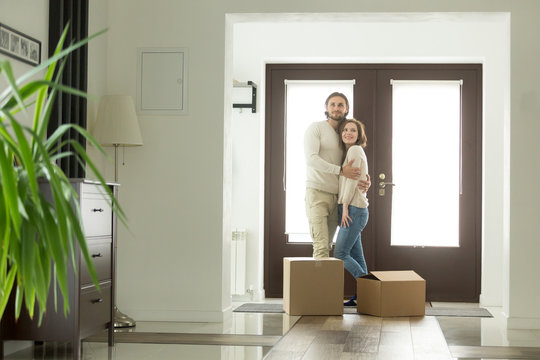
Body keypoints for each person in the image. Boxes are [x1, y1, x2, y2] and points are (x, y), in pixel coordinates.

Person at [304, 92, 370, 259]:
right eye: (332, 104)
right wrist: (340, 170)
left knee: (328, 245)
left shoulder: (345, 134)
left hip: (338, 198)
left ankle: (328, 285)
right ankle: (321, 286)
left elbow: (353, 165)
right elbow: (311, 159)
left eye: (340, 105)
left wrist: (365, 181)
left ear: (346, 108)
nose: (336, 108)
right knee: (320, 246)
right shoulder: (316, 128)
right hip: (317, 193)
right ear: (326, 107)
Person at [334, 119, 369, 306]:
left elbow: (352, 181)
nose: (348, 132)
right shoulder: (350, 152)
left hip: (353, 209)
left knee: (340, 254)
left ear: (359, 134)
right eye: (345, 130)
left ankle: (370, 288)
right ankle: (365, 296)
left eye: (353, 130)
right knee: (357, 255)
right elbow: (358, 178)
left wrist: (345, 206)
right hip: (355, 209)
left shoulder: (355, 150)